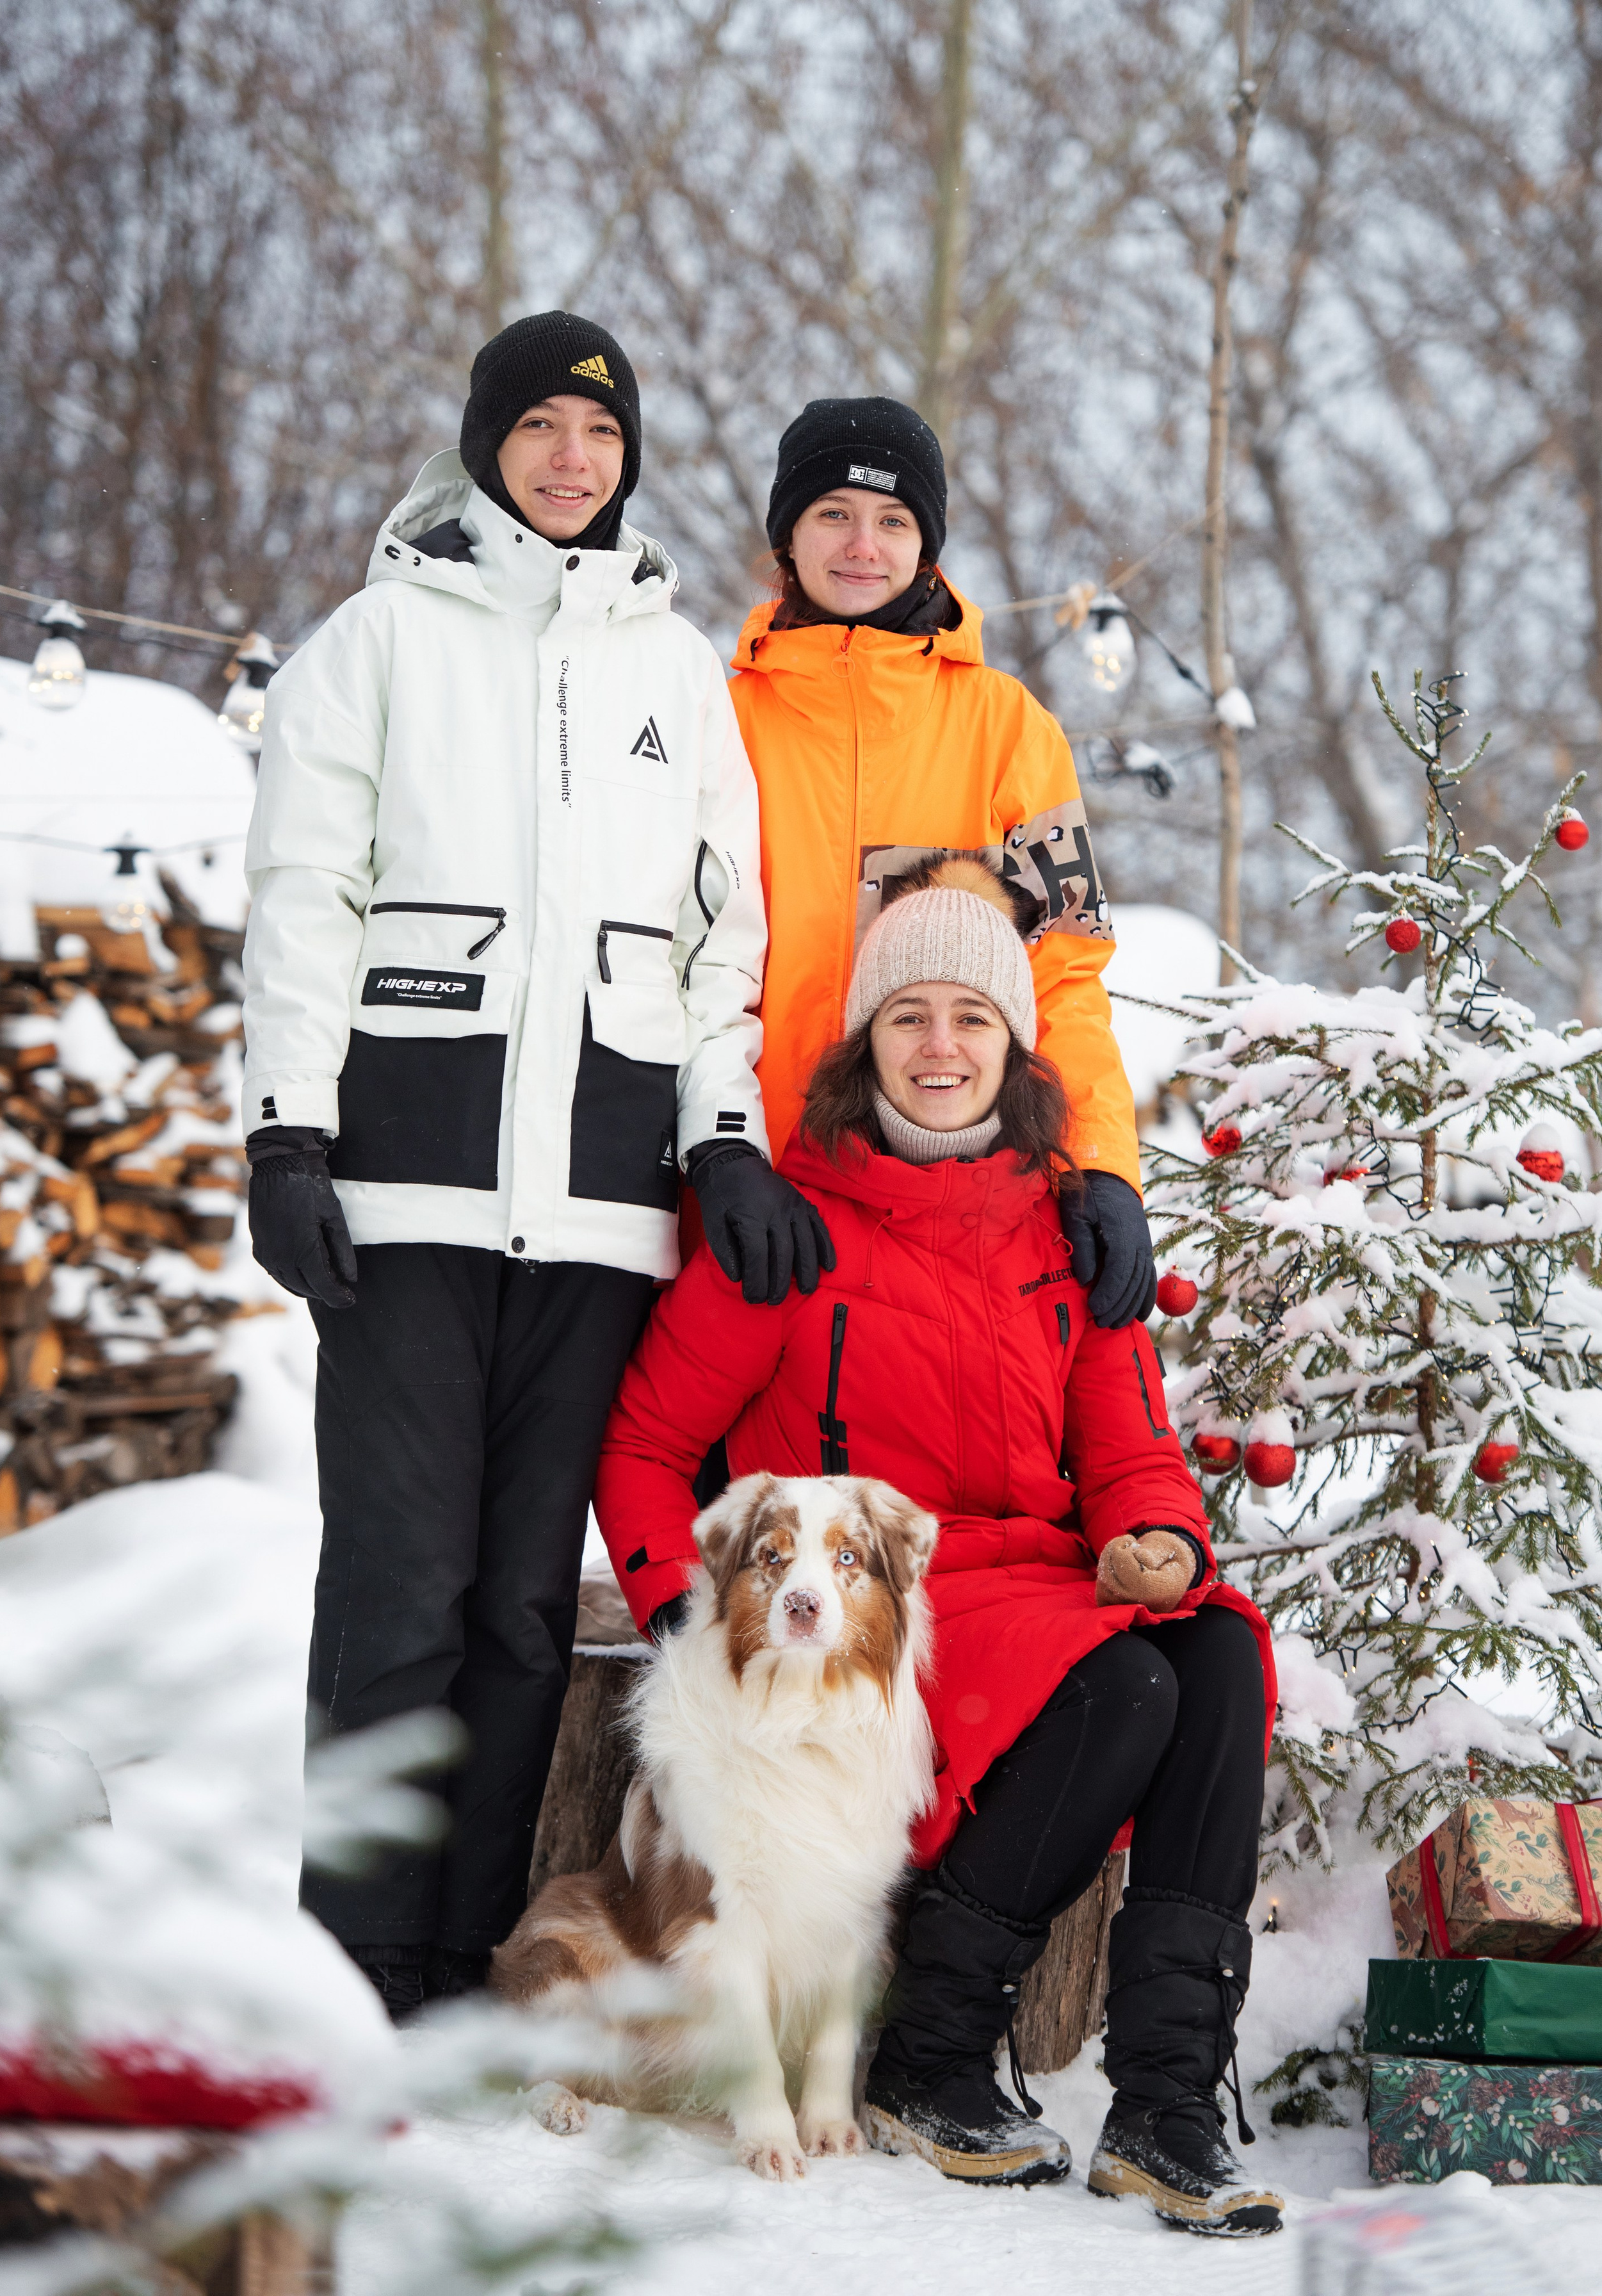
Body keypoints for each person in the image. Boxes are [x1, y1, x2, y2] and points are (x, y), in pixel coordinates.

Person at [240, 311, 828, 2019]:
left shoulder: (672, 671)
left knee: (513, 1610)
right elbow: (302, 903)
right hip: (404, 1193)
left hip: (599, 1207)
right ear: (489, 440)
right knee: (399, 1593)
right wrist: (289, 1127)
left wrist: (721, 1137)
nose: (575, 459)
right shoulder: (375, 641)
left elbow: (728, 936)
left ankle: (457, 1959)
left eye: (602, 433)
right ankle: (347, 1959)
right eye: (544, 428)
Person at [592, 858, 1281, 2236]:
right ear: (863, 1043)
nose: (940, 1046)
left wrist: (1154, 1532)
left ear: (1015, 1044)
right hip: (878, 1603)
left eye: (972, 1015)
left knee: (1215, 1647)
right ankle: (930, 2048)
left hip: (1041, 1577)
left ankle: (1163, 2101)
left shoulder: (1061, 1222)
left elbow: (1131, 1446)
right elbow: (645, 1449)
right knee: (1128, 1682)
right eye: (907, 1015)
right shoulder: (782, 1228)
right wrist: (679, 1605)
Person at [727, 395, 1154, 1330]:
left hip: (949, 1217)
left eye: (892, 520)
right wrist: (717, 1159)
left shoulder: (1011, 731)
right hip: (747, 1204)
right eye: (832, 513)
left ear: (927, 548)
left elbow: (1066, 975)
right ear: (786, 536)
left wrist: (1102, 1165)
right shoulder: (719, 724)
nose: (861, 545)